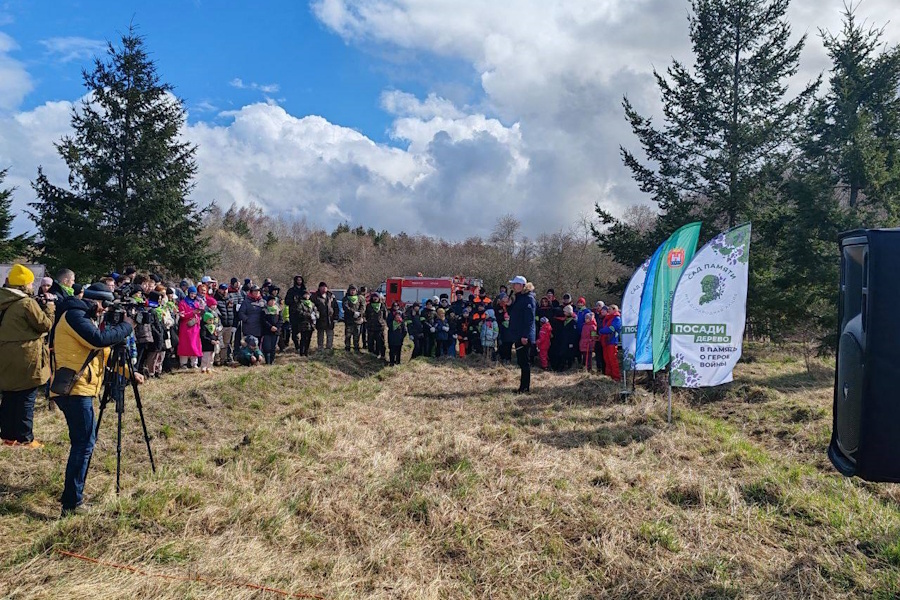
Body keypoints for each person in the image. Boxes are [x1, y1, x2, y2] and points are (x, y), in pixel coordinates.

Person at [51, 282, 141, 516]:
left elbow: (104, 353)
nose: (104, 311)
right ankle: (71, 503)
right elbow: (98, 340)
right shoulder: (73, 315)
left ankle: (73, 496)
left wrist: (129, 373)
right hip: (74, 389)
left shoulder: (83, 317)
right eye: (104, 305)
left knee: (84, 442)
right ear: (96, 301)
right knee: (83, 444)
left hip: (82, 388)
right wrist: (127, 326)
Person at [0, 265, 54, 447]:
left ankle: (7, 436)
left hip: (4, 354)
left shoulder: (3, 299)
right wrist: (49, 308)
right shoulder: (26, 303)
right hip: (26, 355)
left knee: (9, 395)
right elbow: (45, 325)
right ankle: (24, 438)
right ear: (25, 285)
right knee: (26, 396)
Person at [507, 276, 536, 394]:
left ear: (521, 286)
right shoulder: (519, 298)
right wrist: (509, 305)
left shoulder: (528, 299)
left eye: (515, 284)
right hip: (518, 334)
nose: (513, 286)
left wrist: (525, 335)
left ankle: (525, 388)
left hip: (524, 336)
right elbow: (514, 315)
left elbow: (529, 320)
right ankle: (522, 387)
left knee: (524, 362)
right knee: (521, 361)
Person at [177, 286, 204, 369]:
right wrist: (192, 313)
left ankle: (194, 363)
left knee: (194, 345)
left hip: (195, 327)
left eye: (194, 294)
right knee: (185, 345)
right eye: (191, 293)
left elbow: (200, 314)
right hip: (185, 327)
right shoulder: (183, 303)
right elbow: (182, 315)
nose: (193, 295)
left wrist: (201, 311)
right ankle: (183, 363)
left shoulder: (197, 303)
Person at [311, 282, 340, 352]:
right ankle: (320, 347)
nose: (324, 288)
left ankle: (329, 347)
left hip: (330, 318)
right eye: (322, 287)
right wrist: (315, 314)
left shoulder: (331, 296)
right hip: (320, 319)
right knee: (320, 334)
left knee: (330, 334)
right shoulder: (315, 296)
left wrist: (336, 317)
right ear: (319, 288)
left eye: (325, 287)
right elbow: (312, 306)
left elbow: (335, 307)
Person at [598, 305, 622, 381]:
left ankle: (616, 377)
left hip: (612, 341)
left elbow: (612, 328)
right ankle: (609, 376)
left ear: (614, 310)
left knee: (612, 360)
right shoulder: (608, 318)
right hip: (606, 341)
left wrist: (602, 331)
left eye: (610, 309)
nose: (608, 311)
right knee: (607, 360)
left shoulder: (617, 319)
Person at [284, 275, 307, 352]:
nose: (299, 281)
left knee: (304, 332)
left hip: (304, 314)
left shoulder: (305, 290)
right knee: (294, 332)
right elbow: (286, 301)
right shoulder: (291, 291)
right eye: (298, 280)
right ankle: (297, 346)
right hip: (294, 313)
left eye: (300, 280)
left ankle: (303, 347)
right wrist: (294, 301)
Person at [365, 292, 388, 360]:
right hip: (371, 327)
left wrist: (382, 322)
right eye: (374, 297)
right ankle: (372, 354)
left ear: (379, 298)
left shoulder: (382, 306)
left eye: (376, 297)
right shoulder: (369, 306)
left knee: (380, 341)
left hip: (380, 327)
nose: (375, 298)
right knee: (370, 341)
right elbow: (366, 315)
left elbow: (385, 315)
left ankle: (382, 355)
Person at [342, 284, 365, 352]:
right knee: (348, 335)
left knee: (357, 335)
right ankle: (347, 347)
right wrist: (353, 312)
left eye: (354, 290)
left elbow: (363, 306)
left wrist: (359, 313)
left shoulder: (360, 298)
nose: (352, 292)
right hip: (349, 320)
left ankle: (356, 347)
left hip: (357, 320)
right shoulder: (346, 298)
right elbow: (345, 307)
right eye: (351, 290)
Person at [261, 296, 281, 365]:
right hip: (267, 331)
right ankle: (267, 361)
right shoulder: (264, 310)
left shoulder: (278, 310)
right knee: (267, 347)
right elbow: (263, 320)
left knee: (273, 347)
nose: (272, 302)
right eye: (271, 300)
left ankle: (272, 361)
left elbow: (281, 320)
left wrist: (277, 327)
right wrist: (270, 327)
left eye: (273, 300)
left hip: (276, 331)